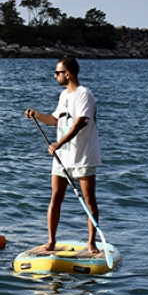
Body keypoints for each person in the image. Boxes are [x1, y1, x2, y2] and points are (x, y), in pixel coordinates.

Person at [25, 56, 102, 253]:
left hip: (83, 154)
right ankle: (51, 241)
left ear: (67, 74)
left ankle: (91, 242)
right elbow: (55, 119)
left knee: (88, 198)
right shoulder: (63, 96)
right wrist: (36, 114)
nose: (55, 76)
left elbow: (79, 123)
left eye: (58, 72)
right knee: (56, 196)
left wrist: (58, 143)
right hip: (62, 156)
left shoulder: (84, 94)